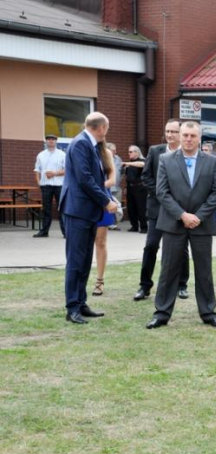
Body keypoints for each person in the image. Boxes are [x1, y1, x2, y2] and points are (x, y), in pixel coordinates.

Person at [146, 121, 216, 329]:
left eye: (193, 136)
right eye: (185, 135)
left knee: (204, 270)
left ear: (199, 138)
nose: (189, 139)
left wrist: (197, 216)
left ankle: (208, 313)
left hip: (201, 224)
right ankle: (161, 313)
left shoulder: (213, 161)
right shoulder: (165, 159)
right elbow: (161, 191)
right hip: (173, 223)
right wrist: (182, 215)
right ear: (179, 136)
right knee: (168, 269)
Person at [60, 112, 117, 324]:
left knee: (84, 260)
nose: (106, 132)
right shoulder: (81, 144)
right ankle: (72, 307)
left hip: (87, 211)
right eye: (107, 128)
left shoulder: (89, 144)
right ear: (101, 128)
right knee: (75, 260)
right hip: (77, 211)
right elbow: (85, 179)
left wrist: (106, 200)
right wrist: (106, 201)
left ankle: (81, 302)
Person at [135, 119, 190, 301]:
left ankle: (182, 285)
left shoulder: (186, 154)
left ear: (180, 134)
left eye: (174, 132)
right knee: (151, 246)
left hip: (179, 210)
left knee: (181, 248)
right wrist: (162, 195)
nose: (170, 135)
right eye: (167, 131)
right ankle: (144, 286)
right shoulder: (155, 151)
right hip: (157, 208)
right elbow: (146, 176)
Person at [92, 142, 119, 296]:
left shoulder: (106, 153)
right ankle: (79, 280)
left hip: (102, 200)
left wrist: (95, 190)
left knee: (100, 241)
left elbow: (112, 180)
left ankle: (99, 280)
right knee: (83, 243)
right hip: (84, 201)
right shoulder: (80, 150)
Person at [33, 134, 66, 238]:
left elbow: (67, 170)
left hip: (59, 185)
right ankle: (44, 232)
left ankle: (66, 232)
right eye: (49, 140)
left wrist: (54, 173)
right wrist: (38, 182)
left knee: (62, 208)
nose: (51, 141)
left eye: (53, 140)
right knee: (46, 209)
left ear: (56, 141)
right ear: (46, 142)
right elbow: (37, 169)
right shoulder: (41, 155)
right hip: (46, 185)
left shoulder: (62, 154)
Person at [123, 145, 147, 233]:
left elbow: (142, 165)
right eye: (128, 152)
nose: (129, 153)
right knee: (131, 208)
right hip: (130, 187)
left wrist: (128, 164)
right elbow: (128, 176)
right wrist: (126, 187)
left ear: (137, 152)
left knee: (141, 208)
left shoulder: (142, 160)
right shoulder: (130, 163)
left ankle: (144, 227)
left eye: (130, 152)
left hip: (140, 187)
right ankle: (134, 226)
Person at [105, 142, 123, 231]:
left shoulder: (118, 159)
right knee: (107, 205)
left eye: (115, 150)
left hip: (117, 187)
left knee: (117, 206)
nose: (115, 152)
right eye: (113, 150)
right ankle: (107, 223)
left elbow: (121, 172)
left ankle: (114, 224)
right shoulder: (104, 159)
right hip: (107, 187)